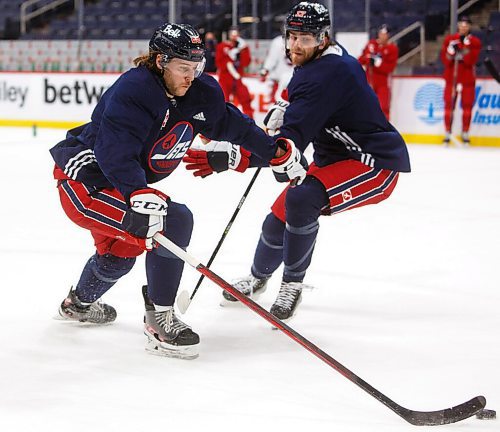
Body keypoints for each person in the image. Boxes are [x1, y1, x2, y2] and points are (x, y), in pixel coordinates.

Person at [49, 23, 308, 359]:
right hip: (86, 185)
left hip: (121, 186)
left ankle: (76, 305)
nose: (191, 76)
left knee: (119, 256)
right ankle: (160, 320)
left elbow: (234, 124)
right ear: (160, 61)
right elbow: (115, 152)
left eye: (196, 67)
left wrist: (273, 152)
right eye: (183, 68)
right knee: (174, 220)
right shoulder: (134, 90)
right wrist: (137, 192)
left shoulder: (198, 92)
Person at [186, 2, 410, 322]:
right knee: (276, 219)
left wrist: (233, 156)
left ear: (323, 38)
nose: (294, 46)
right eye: (291, 37)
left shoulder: (327, 74)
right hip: (335, 158)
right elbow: (302, 103)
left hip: (374, 163)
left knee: (301, 197)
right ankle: (258, 277)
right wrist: (286, 104)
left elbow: (288, 150)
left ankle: (292, 285)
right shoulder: (323, 59)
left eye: (305, 39)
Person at [440, 16, 482, 145]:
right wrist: (451, 51)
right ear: (458, 26)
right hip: (452, 79)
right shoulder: (450, 40)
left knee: (467, 107)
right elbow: (445, 60)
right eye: (461, 25)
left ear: (469, 27)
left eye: (466, 25)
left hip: (467, 79)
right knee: (448, 107)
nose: (463, 27)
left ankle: (465, 132)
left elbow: (471, 61)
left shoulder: (475, 42)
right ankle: (447, 132)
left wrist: (463, 51)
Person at [358, 24, 399, 120]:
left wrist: (377, 64)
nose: (382, 36)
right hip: (369, 81)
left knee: (383, 108)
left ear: (388, 35)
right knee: (366, 107)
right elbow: (361, 59)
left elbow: (389, 68)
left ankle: (383, 133)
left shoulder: (392, 49)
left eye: (385, 34)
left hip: (383, 83)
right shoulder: (371, 44)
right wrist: (368, 59)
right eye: (381, 33)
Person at [215, 26, 254, 117]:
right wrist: (229, 58)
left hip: (237, 78)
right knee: (223, 101)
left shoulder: (242, 47)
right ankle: (222, 122)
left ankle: (250, 122)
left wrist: (243, 50)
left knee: (246, 99)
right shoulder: (222, 46)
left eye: (236, 35)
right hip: (225, 78)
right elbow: (219, 63)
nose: (234, 37)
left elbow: (246, 62)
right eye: (232, 35)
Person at [259, 34, 294, 103]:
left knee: (277, 103)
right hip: (293, 78)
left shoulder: (277, 41)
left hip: (281, 79)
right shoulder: (300, 40)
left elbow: (272, 59)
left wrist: (265, 69)